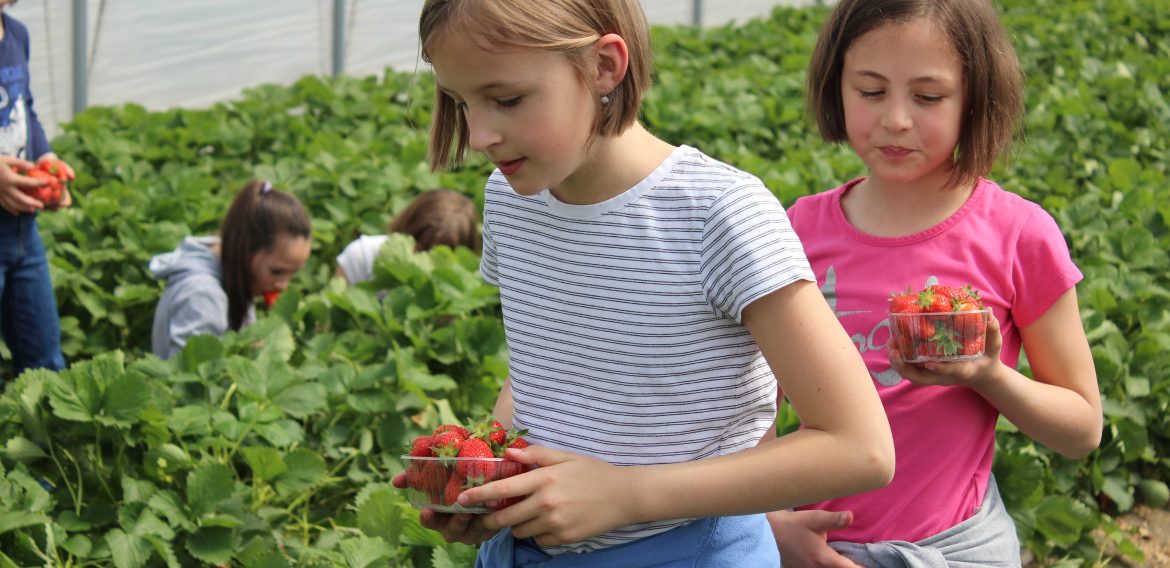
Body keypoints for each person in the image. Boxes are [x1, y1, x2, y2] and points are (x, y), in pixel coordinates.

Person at [392, 0, 896, 565]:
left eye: (506, 99)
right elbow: (546, 366)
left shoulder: (717, 214)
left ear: (605, 66)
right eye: (461, 103)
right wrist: (489, 478)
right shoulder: (511, 199)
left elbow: (860, 448)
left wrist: (626, 496)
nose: (480, 134)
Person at [774, 0, 1103, 565]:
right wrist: (770, 524)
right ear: (837, 87)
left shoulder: (1017, 235)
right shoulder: (794, 231)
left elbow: (1082, 429)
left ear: (975, 100)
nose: (895, 119)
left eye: (928, 97)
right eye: (870, 91)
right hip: (815, 542)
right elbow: (742, 408)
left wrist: (990, 377)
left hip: (957, 549)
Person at [149, 180, 311, 360]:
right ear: (244, 249)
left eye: (293, 273)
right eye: (277, 271)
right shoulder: (203, 296)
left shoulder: (237, 277)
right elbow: (188, 382)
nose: (283, 285)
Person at [0, 0, 77, 379]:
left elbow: (24, 109)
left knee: (45, 358)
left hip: (23, 230)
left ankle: (42, 435)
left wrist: (47, 159)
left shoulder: (16, 35)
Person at [335, 188, 480, 285]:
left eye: (437, 258)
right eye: (420, 250)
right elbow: (330, 316)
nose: (422, 262)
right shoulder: (364, 255)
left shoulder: (453, 289)